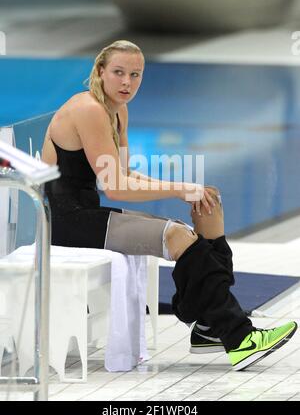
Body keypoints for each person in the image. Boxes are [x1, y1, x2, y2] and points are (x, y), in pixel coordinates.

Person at [42, 40, 297, 371]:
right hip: (66, 222)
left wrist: (189, 190)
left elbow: (125, 173)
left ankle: (208, 328)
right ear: (100, 72)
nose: (127, 83)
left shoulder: (117, 110)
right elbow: (116, 188)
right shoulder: (88, 109)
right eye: (118, 73)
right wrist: (179, 189)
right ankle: (239, 336)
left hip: (89, 215)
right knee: (178, 235)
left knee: (209, 204)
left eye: (135, 75)